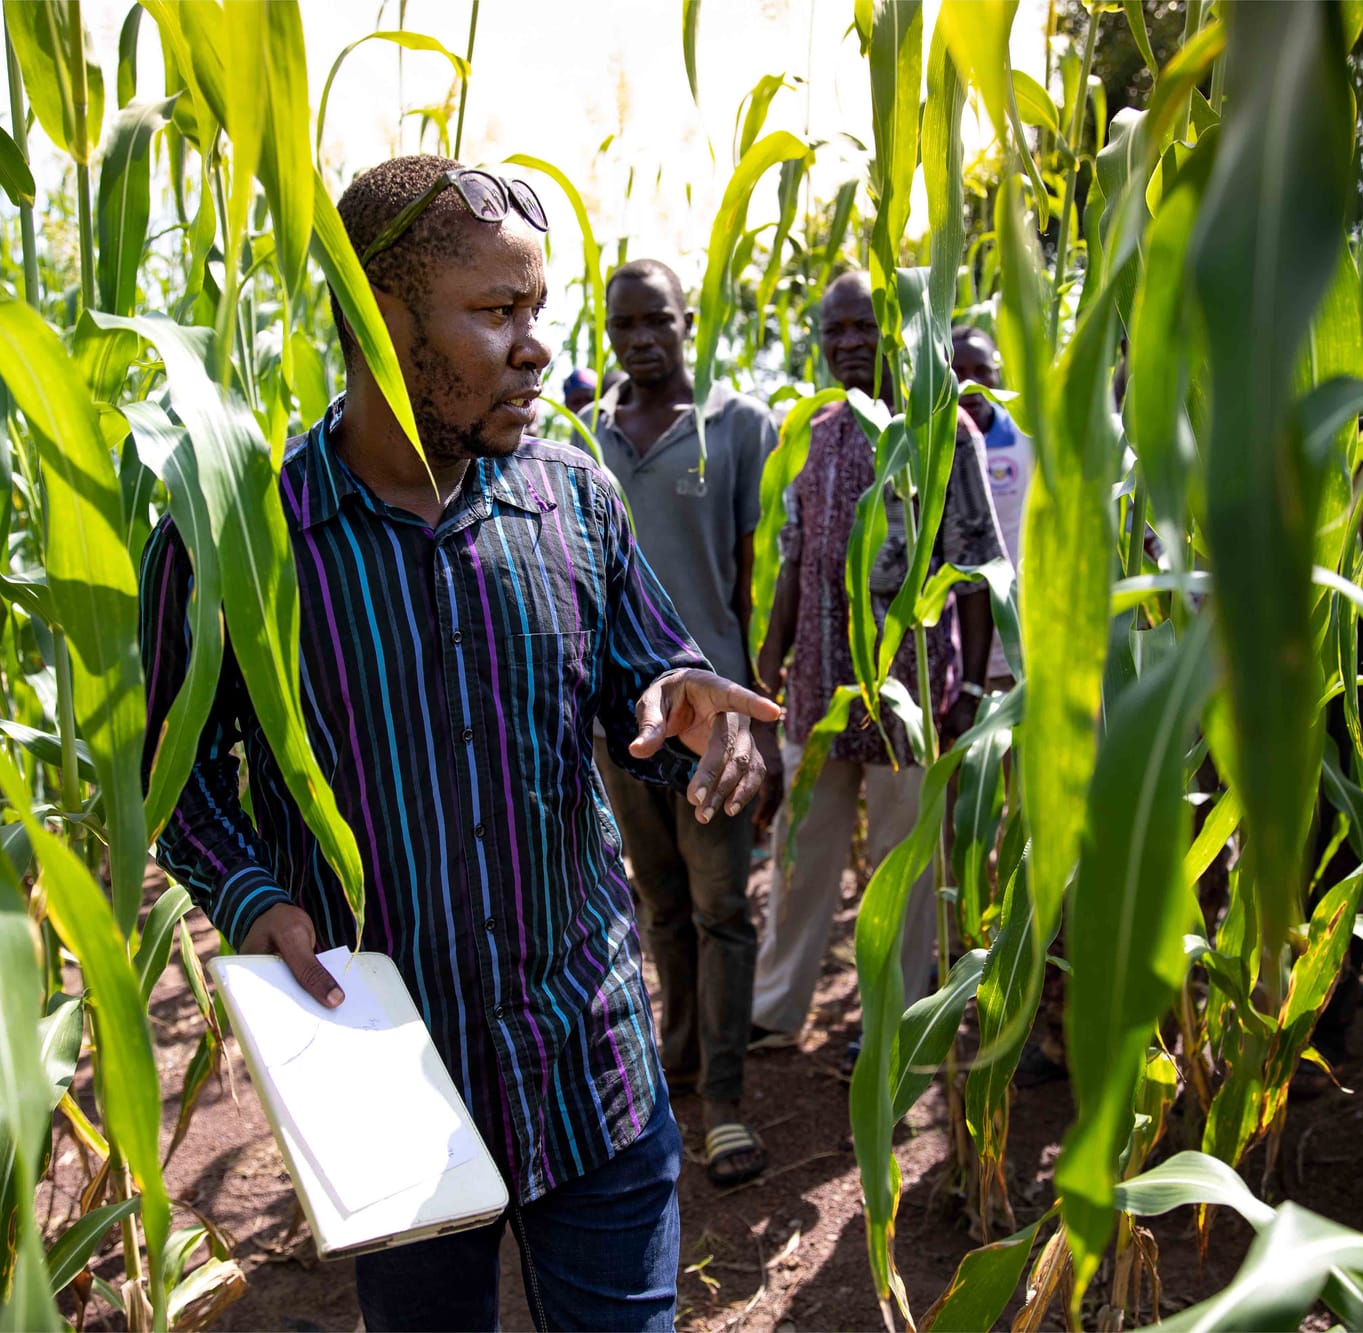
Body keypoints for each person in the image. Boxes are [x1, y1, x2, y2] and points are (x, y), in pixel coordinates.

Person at [138, 154, 780, 1333]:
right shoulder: (242, 543)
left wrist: (694, 728)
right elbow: (169, 777)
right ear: (378, 320)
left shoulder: (574, 502)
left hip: (587, 1063)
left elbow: (652, 685)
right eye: (496, 313)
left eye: (535, 310)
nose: (535, 346)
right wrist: (250, 897)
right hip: (384, 1072)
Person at [749, 271, 1004, 1054]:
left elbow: (976, 564)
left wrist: (962, 698)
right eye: (837, 332)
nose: (850, 345)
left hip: (913, 692)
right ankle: (775, 1007)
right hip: (819, 685)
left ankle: (891, 1016)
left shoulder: (944, 430)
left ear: (898, 333)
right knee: (800, 858)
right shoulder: (813, 432)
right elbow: (791, 558)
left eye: (866, 329)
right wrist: (770, 661)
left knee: (905, 871)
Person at [585, 258, 780, 1187]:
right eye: (623, 326)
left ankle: (728, 1104)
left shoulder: (737, 429)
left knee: (722, 908)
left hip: (714, 725)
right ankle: (680, 1056)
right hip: (628, 724)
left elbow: (755, 584)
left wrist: (762, 722)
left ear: (688, 318)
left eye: (656, 320)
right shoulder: (589, 436)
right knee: (660, 902)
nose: (639, 340)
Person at [951, 325, 1035, 690]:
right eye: (958, 373)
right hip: (957, 653)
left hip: (1025, 638)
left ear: (998, 372)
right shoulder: (930, 449)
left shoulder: (1027, 438)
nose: (970, 385)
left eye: (981, 371)